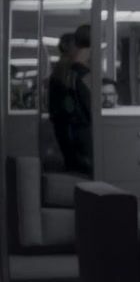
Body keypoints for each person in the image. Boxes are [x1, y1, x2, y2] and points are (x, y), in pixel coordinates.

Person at [48, 26, 94, 176]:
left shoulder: (62, 72)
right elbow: (90, 105)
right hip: (80, 130)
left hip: (68, 130)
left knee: (74, 170)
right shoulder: (81, 73)